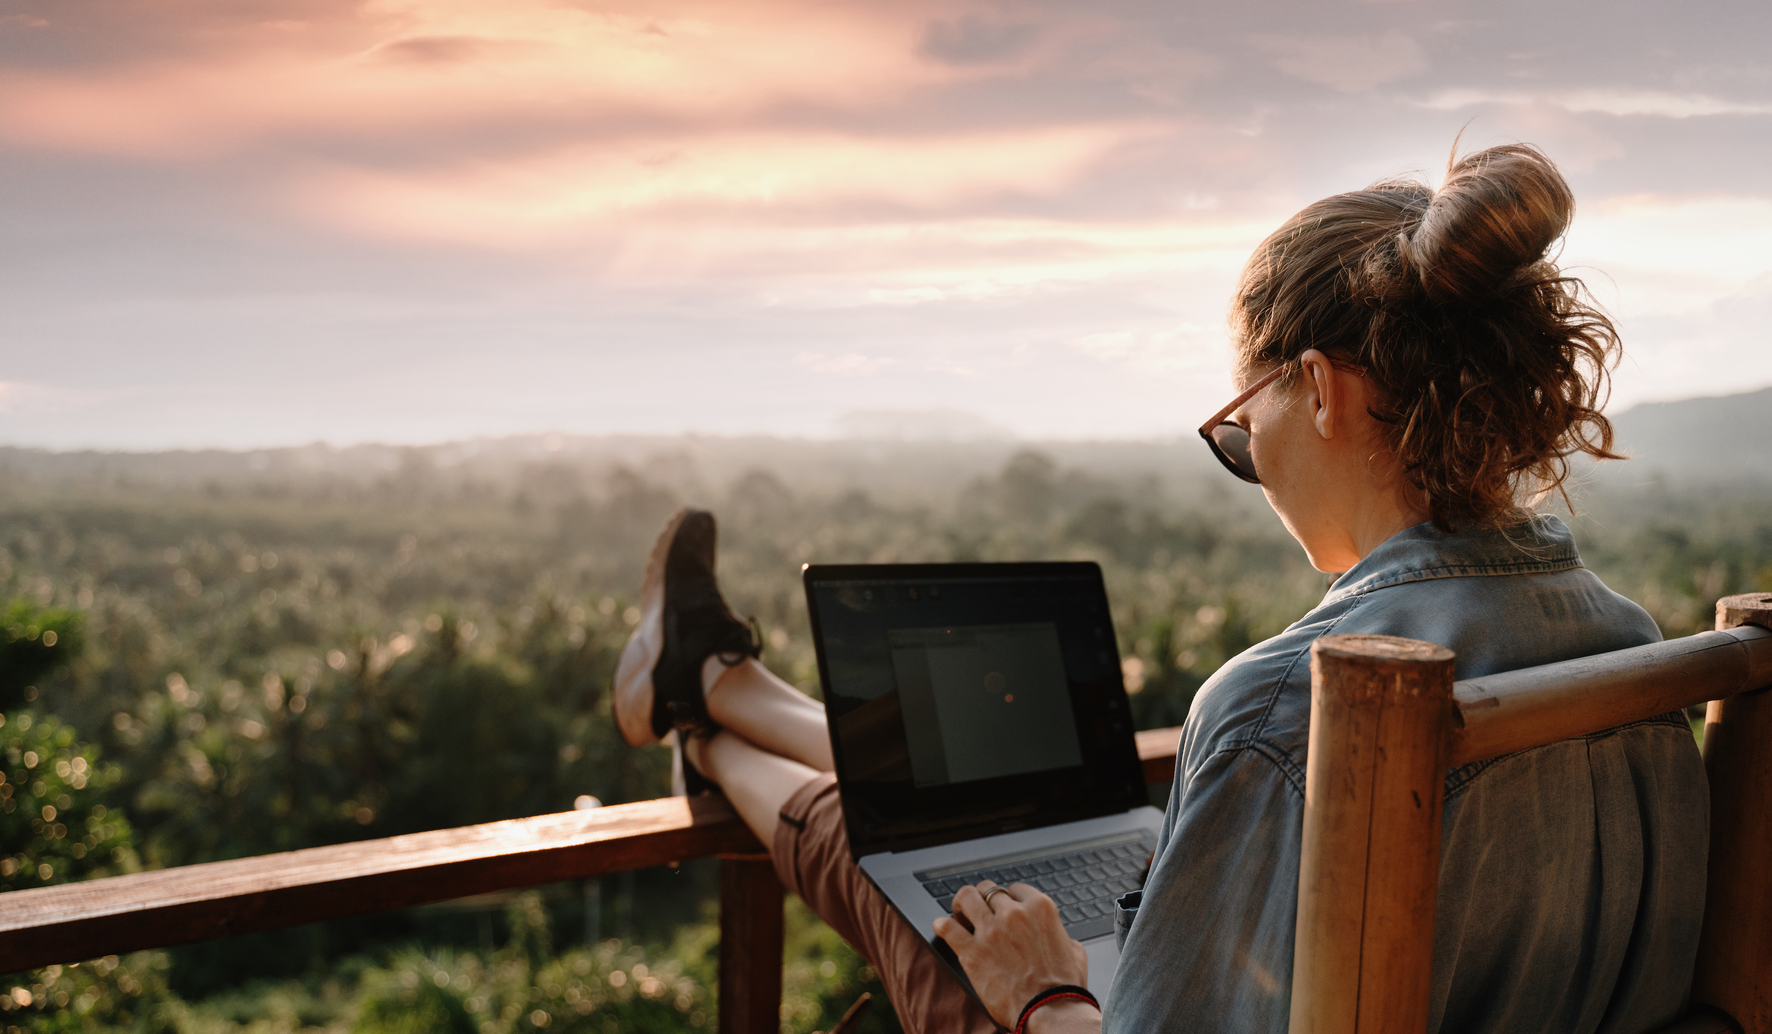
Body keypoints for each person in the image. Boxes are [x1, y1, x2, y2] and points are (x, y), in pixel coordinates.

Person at [610, 144, 1706, 1034]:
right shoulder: (1636, 651)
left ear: (1317, 390)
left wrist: (1045, 993)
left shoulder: (1290, 710)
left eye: (1243, 426)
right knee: (935, 840)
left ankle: (705, 715)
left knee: (909, 875)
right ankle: (718, 690)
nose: (1251, 461)